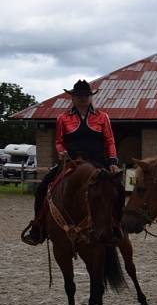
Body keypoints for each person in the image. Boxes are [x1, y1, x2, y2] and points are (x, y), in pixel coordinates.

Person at [22, 80, 121, 245]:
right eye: (79, 96)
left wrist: (112, 161)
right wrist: (61, 152)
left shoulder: (103, 117)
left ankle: (117, 226)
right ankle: (38, 228)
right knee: (41, 189)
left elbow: (109, 140)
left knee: (117, 188)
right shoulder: (63, 118)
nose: (83, 98)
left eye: (86, 95)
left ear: (90, 97)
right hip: (70, 161)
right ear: (73, 98)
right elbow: (59, 141)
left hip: (97, 161)